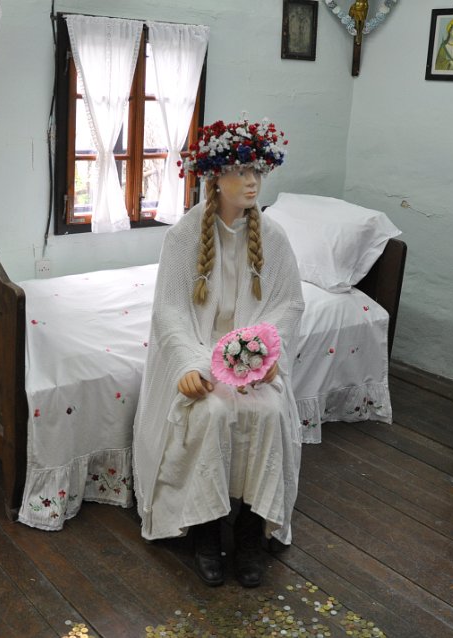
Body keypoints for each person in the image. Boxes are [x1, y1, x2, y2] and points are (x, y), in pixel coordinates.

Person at [132, 118, 304, 588]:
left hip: (251, 365)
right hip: (201, 356)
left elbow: (288, 304)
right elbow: (170, 310)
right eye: (241, 171)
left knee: (268, 413)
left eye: (257, 172)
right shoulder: (184, 237)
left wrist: (263, 356)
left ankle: (250, 530)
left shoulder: (275, 239)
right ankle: (206, 530)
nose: (252, 182)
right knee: (209, 412)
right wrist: (190, 364)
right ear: (215, 176)